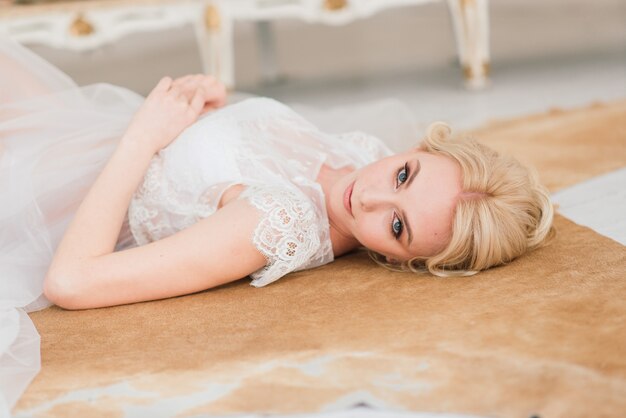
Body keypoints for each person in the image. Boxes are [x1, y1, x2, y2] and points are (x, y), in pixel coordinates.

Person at [0, 37, 554, 412]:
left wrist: (146, 136)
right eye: (404, 174)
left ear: (400, 259)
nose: (371, 198)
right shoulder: (359, 152)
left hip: (44, 198)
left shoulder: (275, 219)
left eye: (398, 227)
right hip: (78, 136)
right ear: (416, 149)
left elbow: (72, 281)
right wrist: (208, 111)